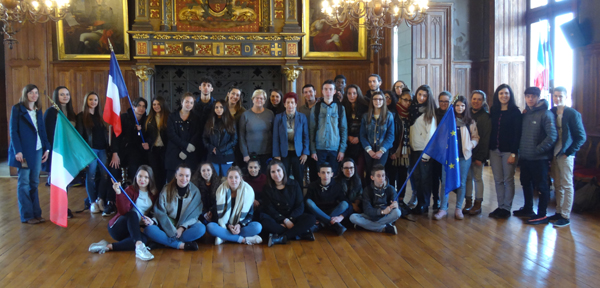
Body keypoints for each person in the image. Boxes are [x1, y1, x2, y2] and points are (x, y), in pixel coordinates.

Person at [88, 165, 158, 260]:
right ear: (136, 177)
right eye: (140, 176)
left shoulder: (153, 193)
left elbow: (154, 212)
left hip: (133, 230)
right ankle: (139, 248)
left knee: (144, 240)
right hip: (119, 227)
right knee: (132, 214)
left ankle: (108, 246)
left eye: (146, 177)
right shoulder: (130, 190)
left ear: (150, 179)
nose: (142, 179)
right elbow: (123, 211)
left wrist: (151, 221)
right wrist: (118, 193)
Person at [9, 84, 51, 224]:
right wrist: (18, 150)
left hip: (38, 150)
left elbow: (42, 130)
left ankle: (36, 213)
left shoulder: (38, 110)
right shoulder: (17, 109)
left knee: (34, 181)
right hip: (24, 152)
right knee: (24, 182)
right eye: (31, 93)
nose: (34, 95)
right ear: (25, 94)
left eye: (36, 93)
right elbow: (13, 131)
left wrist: (47, 148)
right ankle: (27, 215)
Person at [434, 96, 480, 220]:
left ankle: (458, 208)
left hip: (464, 157)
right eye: (457, 105)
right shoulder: (448, 120)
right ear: (453, 107)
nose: (460, 108)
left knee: (461, 183)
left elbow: (476, 137)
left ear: (466, 107)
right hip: (449, 158)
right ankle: (443, 209)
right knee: (444, 182)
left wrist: (471, 145)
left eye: (462, 106)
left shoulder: (470, 122)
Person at [516, 87, 557, 225]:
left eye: (533, 96)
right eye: (528, 96)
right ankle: (528, 209)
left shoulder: (546, 114)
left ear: (538, 97)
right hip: (525, 157)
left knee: (541, 186)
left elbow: (552, 136)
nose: (530, 99)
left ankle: (542, 214)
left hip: (539, 159)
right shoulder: (526, 114)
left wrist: (538, 150)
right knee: (526, 183)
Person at [144, 164, 205, 251]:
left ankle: (164, 243)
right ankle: (181, 245)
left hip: (185, 227)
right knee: (149, 230)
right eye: (181, 175)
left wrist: (182, 228)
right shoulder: (166, 189)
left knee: (201, 229)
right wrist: (169, 229)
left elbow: (195, 215)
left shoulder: (195, 192)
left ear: (190, 176)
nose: (184, 179)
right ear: (176, 175)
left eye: (187, 176)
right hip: (167, 226)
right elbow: (159, 212)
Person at [549, 87, 586, 227]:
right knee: (557, 183)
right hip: (554, 152)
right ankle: (558, 211)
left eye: (560, 96)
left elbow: (581, 137)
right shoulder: (552, 112)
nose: (557, 99)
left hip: (566, 153)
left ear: (566, 97)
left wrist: (569, 151)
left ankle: (565, 215)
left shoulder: (572, 114)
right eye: (555, 96)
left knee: (567, 184)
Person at [261, 160, 317, 247]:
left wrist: (290, 219)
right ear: (269, 174)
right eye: (273, 172)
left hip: (293, 216)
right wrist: (284, 220)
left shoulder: (294, 184)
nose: (276, 174)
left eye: (278, 170)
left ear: (283, 170)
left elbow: (300, 206)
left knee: (311, 219)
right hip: (278, 219)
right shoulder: (266, 188)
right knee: (265, 223)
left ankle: (283, 237)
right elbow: (269, 208)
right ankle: (299, 233)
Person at [488, 84, 522, 219]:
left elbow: (517, 134)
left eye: (506, 93)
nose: (504, 96)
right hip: (494, 150)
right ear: (497, 95)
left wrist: (514, 153)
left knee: (508, 179)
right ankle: (500, 206)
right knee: (498, 180)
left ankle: (507, 208)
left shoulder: (515, 112)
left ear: (510, 95)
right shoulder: (494, 110)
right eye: (501, 93)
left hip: (509, 151)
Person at [207, 166, 263, 245]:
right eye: (230, 177)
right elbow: (217, 214)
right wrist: (228, 225)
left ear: (240, 178)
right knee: (210, 227)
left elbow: (250, 215)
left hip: (241, 226)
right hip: (225, 226)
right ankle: (243, 240)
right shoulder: (221, 191)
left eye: (236, 177)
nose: (233, 180)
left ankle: (224, 237)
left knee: (257, 227)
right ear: (227, 179)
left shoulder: (248, 191)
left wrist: (239, 225)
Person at [44, 86, 77, 218]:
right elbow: (47, 133)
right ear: (56, 96)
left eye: (67, 94)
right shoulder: (51, 112)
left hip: (68, 151)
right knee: (58, 181)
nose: (65, 97)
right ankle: (58, 209)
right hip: (56, 152)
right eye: (62, 94)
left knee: (66, 181)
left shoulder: (71, 113)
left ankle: (64, 207)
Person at [76, 92, 109, 214]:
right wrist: (83, 155)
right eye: (90, 99)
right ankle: (92, 201)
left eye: (95, 100)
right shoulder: (81, 117)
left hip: (102, 150)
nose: (93, 102)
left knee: (105, 175)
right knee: (91, 176)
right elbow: (79, 137)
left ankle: (100, 198)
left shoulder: (100, 116)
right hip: (90, 150)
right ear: (86, 101)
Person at [408, 85, 437, 215]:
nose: (421, 97)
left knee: (425, 178)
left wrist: (426, 154)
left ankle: (424, 204)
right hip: (413, 150)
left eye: (424, 96)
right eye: (419, 94)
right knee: (417, 178)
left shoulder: (429, 113)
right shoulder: (413, 110)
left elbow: (431, 135)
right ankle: (419, 203)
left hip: (424, 151)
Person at [309, 80, 348, 175]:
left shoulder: (340, 108)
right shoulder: (316, 108)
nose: (328, 92)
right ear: (322, 91)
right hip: (319, 148)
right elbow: (312, 130)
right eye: (325, 89)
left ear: (334, 91)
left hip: (335, 148)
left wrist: (342, 150)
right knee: (320, 175)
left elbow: (343, 129)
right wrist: (313, 150)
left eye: (330, 89)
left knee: (334, 175)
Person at [349, 165, 401, 234]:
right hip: (371, 216)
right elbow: (367, 210)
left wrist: (395, 205)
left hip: (385, 216)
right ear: (372, 177)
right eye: (378, 176)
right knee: (353, 217)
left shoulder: (390, 189)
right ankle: (384, 228)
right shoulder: (367, 190)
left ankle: (367, 226)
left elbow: (395, 205)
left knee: (397, 212)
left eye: (383, 175)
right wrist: (382, 212)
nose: (381, 178)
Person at [463, 90, 491, 215]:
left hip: (478, 153)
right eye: (474, 99)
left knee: (477, 178)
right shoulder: (466, 114)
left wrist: (480, 157)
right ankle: (468, 202)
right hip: (466, 153)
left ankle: (478, 204)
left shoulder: (485, 117)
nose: (476, 101)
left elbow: (485, 139)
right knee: (468, 178)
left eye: (479, 99)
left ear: (483, 101)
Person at [273, 92, 310, 187]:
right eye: (288, 102)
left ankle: (299, 200)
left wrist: (305, 153)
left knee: (299, 177)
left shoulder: (302, 117)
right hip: (284, 153)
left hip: (298, 154)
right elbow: (275, 137)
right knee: (283, 177)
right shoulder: (278, 118)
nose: (290, 105)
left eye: (292, 102)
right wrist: (276, 154)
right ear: (284, 104)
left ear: (296, 104)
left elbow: (306, 136)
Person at [305, 162, 350, 235]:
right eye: (323, 173)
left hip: (333, 211)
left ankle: (322, 223)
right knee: (308, 202)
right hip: (317, 211)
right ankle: (332, 224)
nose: (325, 175)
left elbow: (347, 203)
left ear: (332, 174)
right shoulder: (312, 186)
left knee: (344, 204)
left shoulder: (337, 186)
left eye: (328, 173)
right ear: (319, 174)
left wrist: (342, 216)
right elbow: (306, 204)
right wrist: (312, 216)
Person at [165, 92, 202, 181]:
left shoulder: (196, 118)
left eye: (191, 103)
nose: (189, 104)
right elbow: (171, 134)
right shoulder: (172, 116)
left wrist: (186, 151)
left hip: (190, 155)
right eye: (187, 102)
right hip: (174, 154)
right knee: (172, 182)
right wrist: (186, 145)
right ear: (182, 102)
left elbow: (197, 134)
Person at [360, 91, 395, 180]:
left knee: (378, 173)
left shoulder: (388, 116)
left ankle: (379, 192)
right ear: (372, 101)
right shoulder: (365, 116)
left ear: (383, 101)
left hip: (382, 150)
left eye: (380, 99)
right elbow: (362, 135)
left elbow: (390, 136)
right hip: (369, 150)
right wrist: (369, 150)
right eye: (375, 99)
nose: (377, 101)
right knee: (369, 173)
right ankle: (369, 193)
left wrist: (381, 151)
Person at [239, 89, 274, 172]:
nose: (259, 100)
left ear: (265, 100)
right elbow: (241, 136)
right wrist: (245, 154)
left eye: (261, 98)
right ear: (252, 99)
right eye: (256, 98)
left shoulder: (270, 114)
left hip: (267, 152)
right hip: (250, 154)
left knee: (266, 177)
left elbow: (274, 133)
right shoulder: (245, 115)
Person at [427, 91, 451, 211]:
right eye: (441, 101)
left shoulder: (452, 114)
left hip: (447, 151)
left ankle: (444, 201)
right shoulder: (434, 113)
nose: (443, 103)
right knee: (434, 177)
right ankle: (435, 199)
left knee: (444, 178)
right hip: (435, 150)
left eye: (446, 101)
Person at [117, 97, 149, 183]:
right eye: (139, 106)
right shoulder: (124, 117)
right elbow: (119, 135)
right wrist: (133, 129)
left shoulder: (147, 120)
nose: (141, 108)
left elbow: (147, 135)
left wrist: (141, 131)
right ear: (133, 106)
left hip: (140, 149)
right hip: (125, 148)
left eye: (144, 106)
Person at [203, 99, 238, 177]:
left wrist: (220, 149)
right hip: (213, 156)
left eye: (221, 107)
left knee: (227, 180)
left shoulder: (231, 121)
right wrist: (212, 148)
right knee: (215, 180)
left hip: (227, 155)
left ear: (225, 108)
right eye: (216, 107)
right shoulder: (210, 122)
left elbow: (234, 140)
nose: (218, 109)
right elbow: (204, 138)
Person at [388, 88, 412, 202]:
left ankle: (401, 199)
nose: (407, 103)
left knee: (403, 176)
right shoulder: (393, 113)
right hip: (395, 149)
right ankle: (393, 199)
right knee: (392, 175)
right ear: (399, 99)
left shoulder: (410, 114)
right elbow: (390, 133)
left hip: (406, 150)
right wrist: (392, 150)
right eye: (405, 100)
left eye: (409, 101)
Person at [342, 84, 369, 181]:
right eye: (349, 93)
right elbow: (341, 125)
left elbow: (367, 126)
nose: (351, 96)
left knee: (359, 169)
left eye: (354, 93)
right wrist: (348, 136)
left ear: (358, 94)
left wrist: (358, 137)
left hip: (360, 143)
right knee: (347, 168)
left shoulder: (365, 107)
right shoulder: (342, 107)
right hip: (347, 142)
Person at [145, 96, 170, 188]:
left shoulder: (169, 117)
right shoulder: (148, 119)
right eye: (154, 104)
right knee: (154, 173)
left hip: (165, 149)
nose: (156, 106)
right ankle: (156, 194)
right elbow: (146, 135)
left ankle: (163, 194)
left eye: (158, 104)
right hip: (153, 150)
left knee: (164, 173)